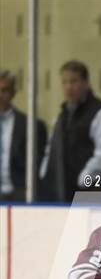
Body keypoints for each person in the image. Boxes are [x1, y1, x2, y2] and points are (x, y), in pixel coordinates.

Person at [40, 60, 101, 202]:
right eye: (65, 82)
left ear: (86, 83)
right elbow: (50, 151)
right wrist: (45, 176)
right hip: (61, 195)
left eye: (74, 81)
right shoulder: (62, 117)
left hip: (90, 195)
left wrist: (83, 178)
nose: (69, 87)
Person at [0, 70, 47, 202]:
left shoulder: (31, 125)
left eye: (4, 91)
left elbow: (38, 164)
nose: (0, 95)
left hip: (19, 194)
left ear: (13, 93)